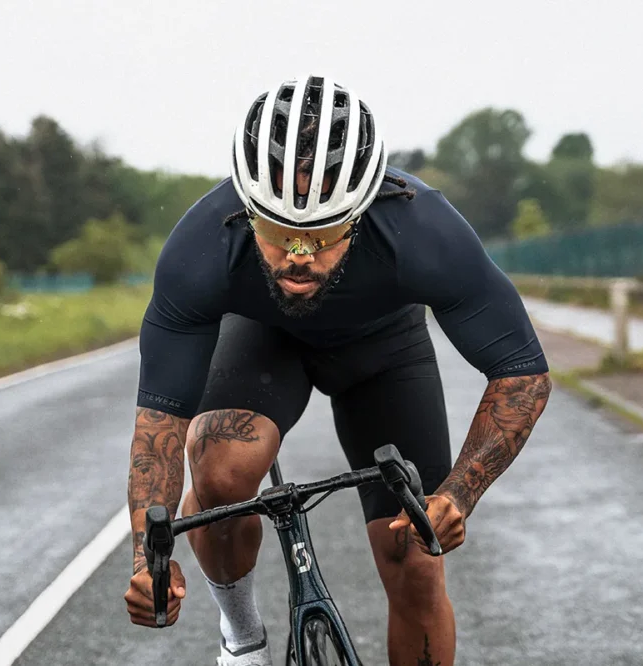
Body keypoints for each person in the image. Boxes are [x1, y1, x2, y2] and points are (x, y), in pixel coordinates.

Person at [124, 74, 552, 666]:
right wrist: (151, 560)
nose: (300, 256)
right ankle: (242, 636)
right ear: (248, 212)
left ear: (362, 211)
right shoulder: (201, 247)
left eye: (324, 234)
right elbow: (158, 428)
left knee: (416, 561)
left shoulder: (423, 231)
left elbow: (522, 374)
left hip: (384, 350)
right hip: (265, 338)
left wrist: (459, 493)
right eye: (278, 233)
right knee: (220, 467)